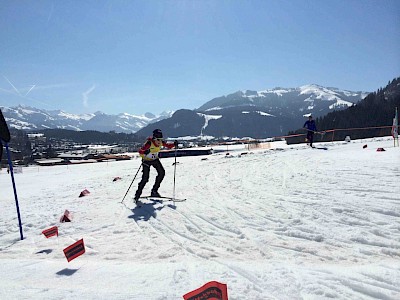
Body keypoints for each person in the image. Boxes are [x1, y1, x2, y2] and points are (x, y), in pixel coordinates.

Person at [134, 129, 178, 202]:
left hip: (155, 160)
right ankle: (137, 194)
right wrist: (145, 151)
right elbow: (140, 151)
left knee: (161, 173)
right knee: (145, 178)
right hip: (146, 161)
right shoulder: (149, 143)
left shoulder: (160, 142)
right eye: (158, 139)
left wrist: (174, 144)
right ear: (154, 138)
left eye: (160, 139)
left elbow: (168, 146)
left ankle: (154, 190)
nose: (159, 141)